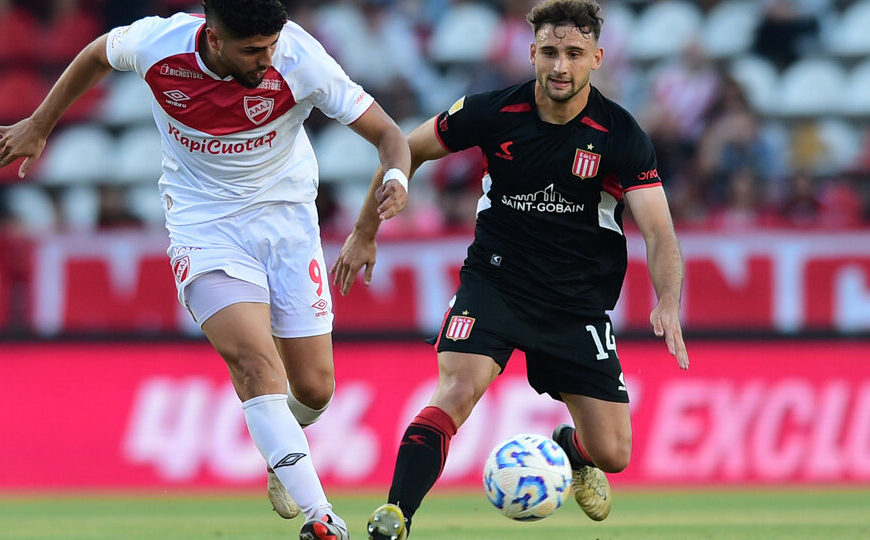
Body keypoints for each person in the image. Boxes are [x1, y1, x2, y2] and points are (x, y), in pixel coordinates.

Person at [0, 1, 411, 539]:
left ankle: (280, 451)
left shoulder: (300, 56)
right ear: (213, 39)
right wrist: (40, 123)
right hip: (204, 225)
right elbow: (98, 53)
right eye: (252, 50)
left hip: (286, 225)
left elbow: (390, 136)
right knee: (255, 364)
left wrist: (398, 179)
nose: (266, 59)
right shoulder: (159, 44)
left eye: (270, 46)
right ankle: (323, 519)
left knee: (314, 388)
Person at [330, 1, 688, 538]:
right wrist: (364, 231)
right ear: (531, 54)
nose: (560, 66)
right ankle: (397, 515)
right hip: (494, 283)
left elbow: (659, 231)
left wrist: (667, 300)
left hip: (574, 302)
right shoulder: (490, 111)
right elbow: (403, 148)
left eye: (573, 54)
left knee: (613, 452)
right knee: (456, 388)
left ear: (597, 57)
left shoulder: (621, 134)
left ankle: (571, 450)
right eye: (549, 52)